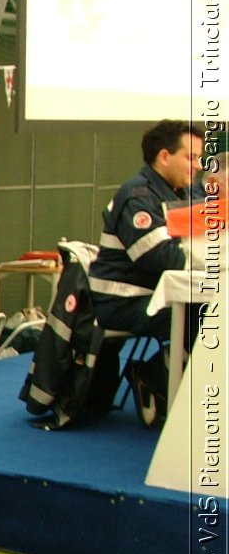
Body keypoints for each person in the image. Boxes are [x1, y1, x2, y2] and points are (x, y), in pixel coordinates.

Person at [89, 120, 203, 426]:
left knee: (208, 313)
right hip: (123, 299)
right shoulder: (137, 196)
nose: (198, 165)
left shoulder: (187, 192)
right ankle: (155, 377)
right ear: (164, 157)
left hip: (162, 294)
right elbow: (158, 256)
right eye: (190, 157)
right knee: (205, 318)